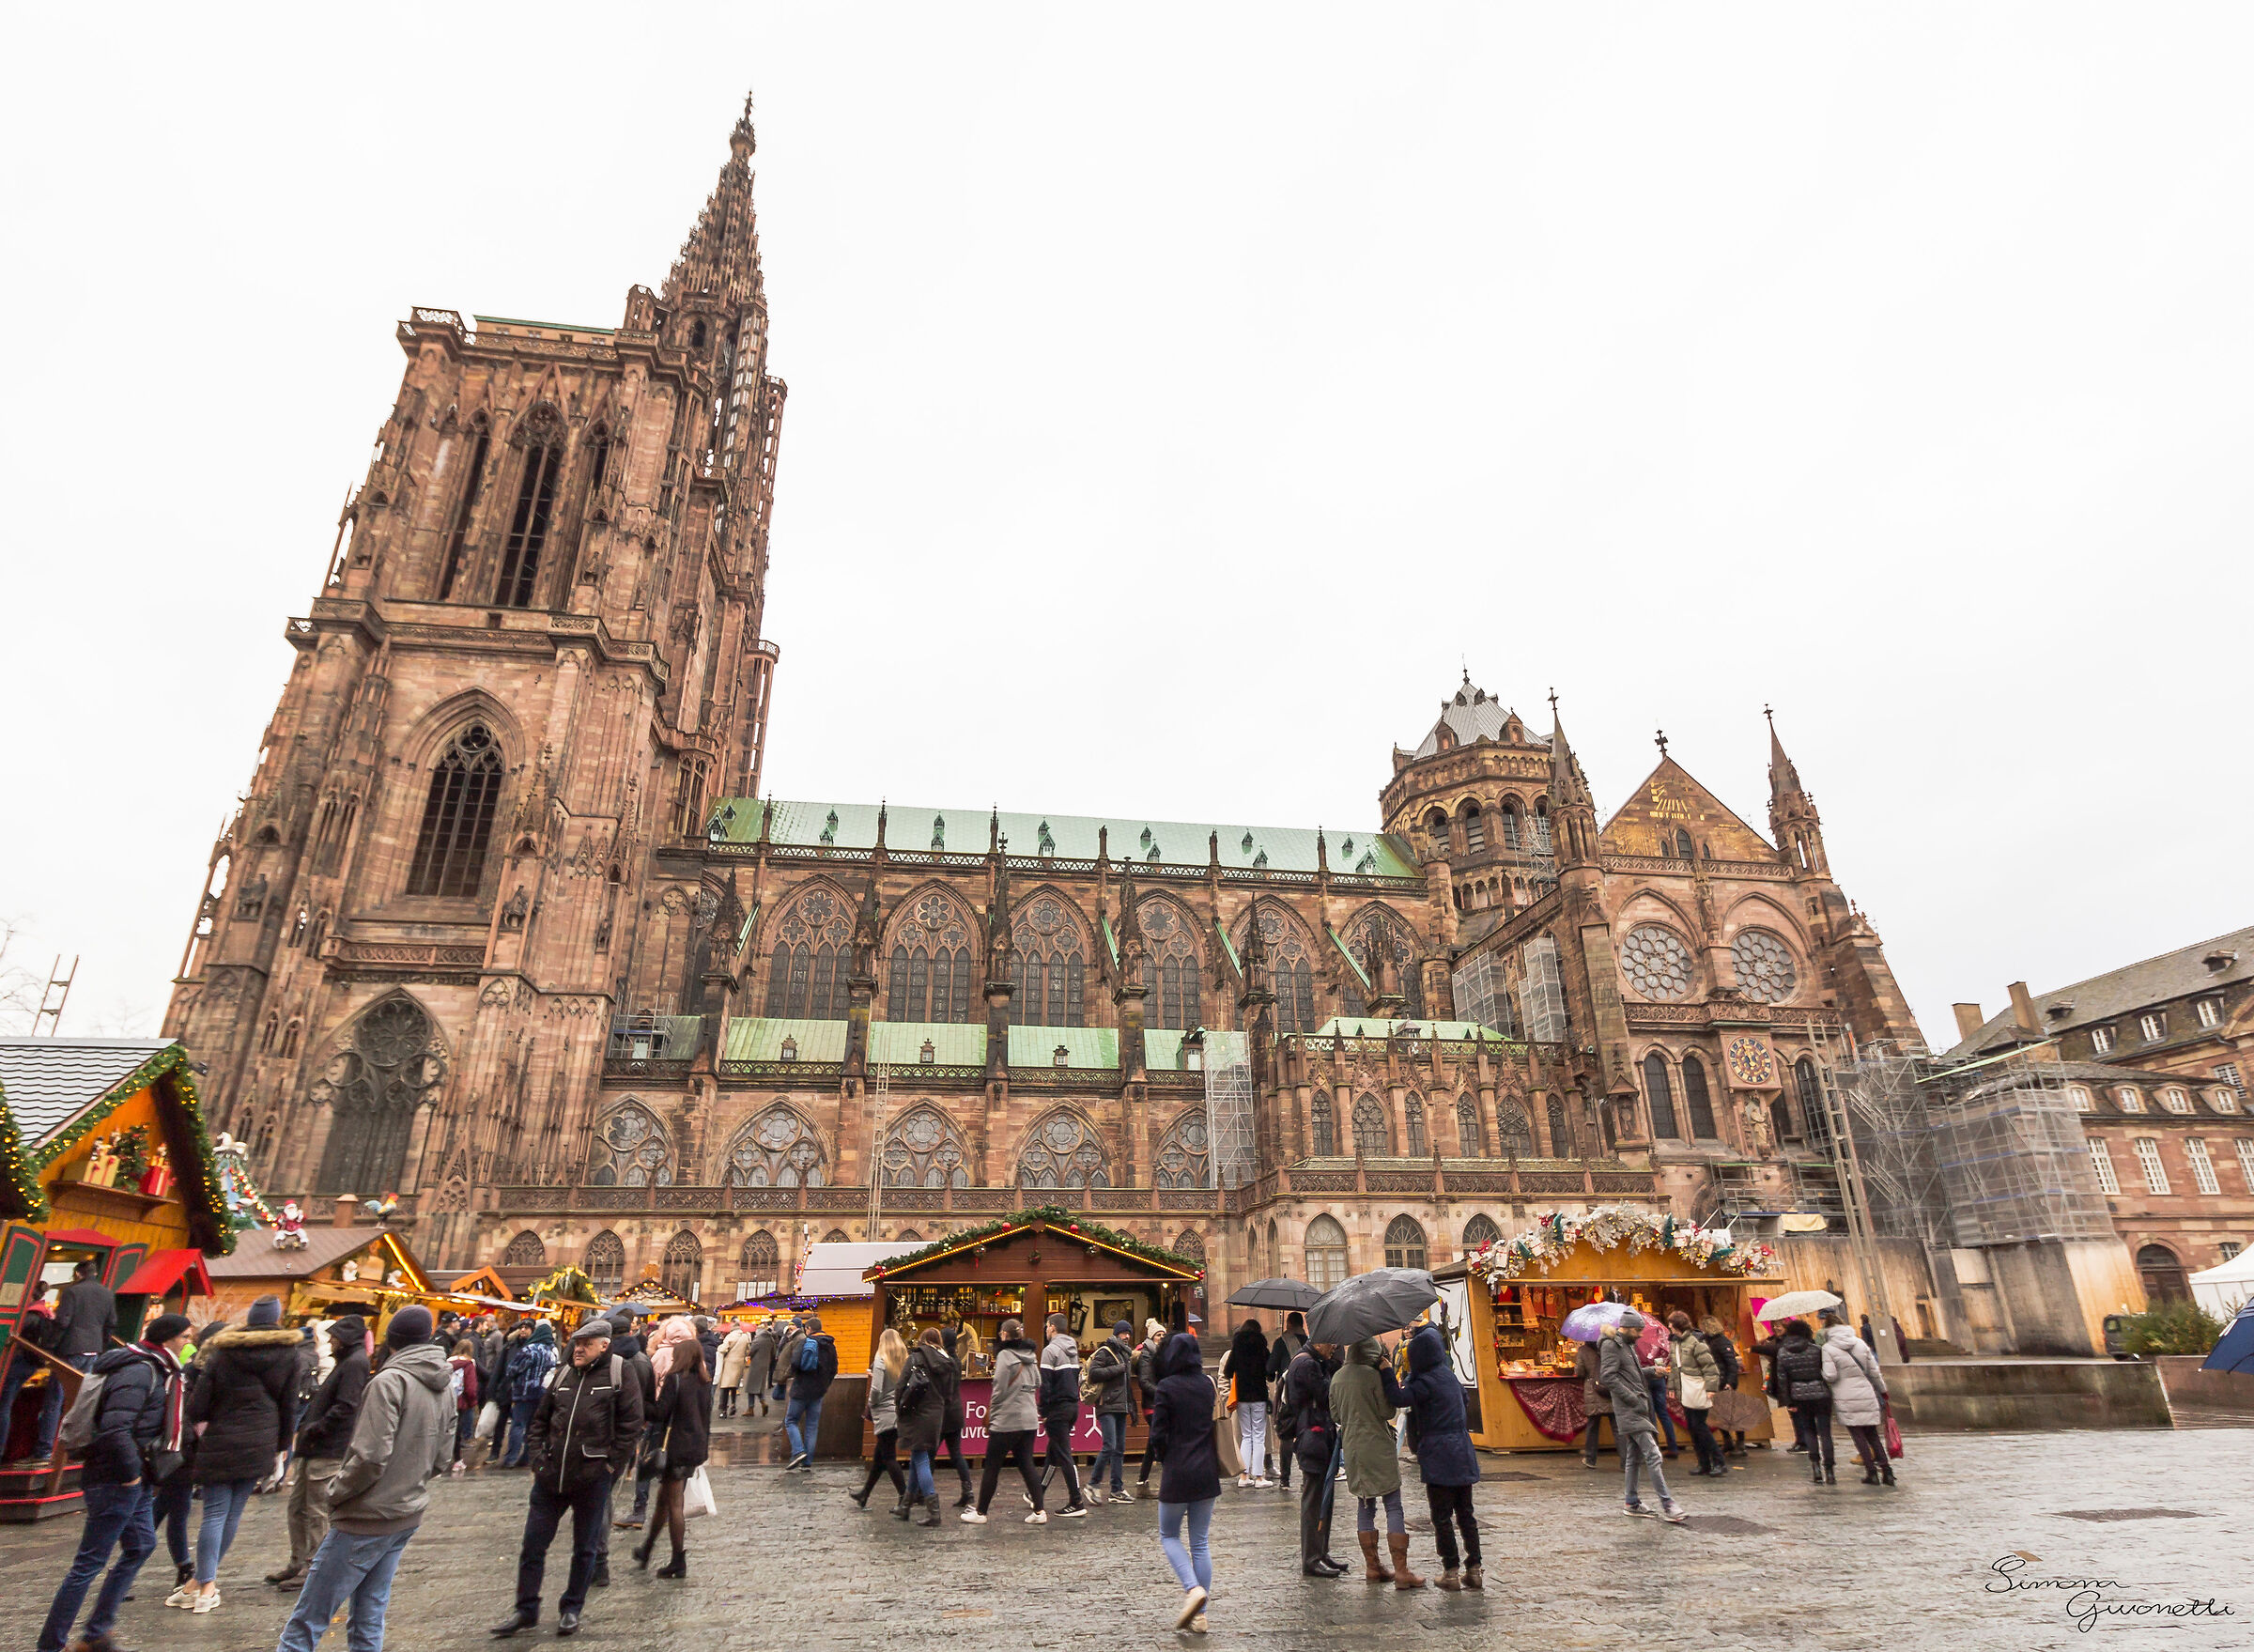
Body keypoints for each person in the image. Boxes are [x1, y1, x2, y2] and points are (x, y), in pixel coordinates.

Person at [272, 1305, 452, 1652]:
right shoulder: (442, 1381)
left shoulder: (389, 1381)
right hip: (406, 1511)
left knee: (306, 1623)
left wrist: (336, 1492)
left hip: (365, 1516)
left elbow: (370, 1456)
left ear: (393, 1340)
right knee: (369, 1614)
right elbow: (443, 1456)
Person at [35, 1312, 190, 1652]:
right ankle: (52, 1645)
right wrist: (131, 1476)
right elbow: (115, 1429)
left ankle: (96, 1633)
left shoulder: (156, 1368)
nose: (188, 1343)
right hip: (116, 1479)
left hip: (135, 1479)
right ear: (168, 1339)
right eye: (184, 1337)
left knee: (141, 1545)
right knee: (88, 1563)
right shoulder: (140, 1370)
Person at [492, 1317, 641, 1638]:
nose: (579, 1348)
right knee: (533, 1546)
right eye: (577, 1342)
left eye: (587, 1343)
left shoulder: (619, 1372)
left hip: (592, 1475)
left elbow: (631, 1425)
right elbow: (540, 1420)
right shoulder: (563, 1373)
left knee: (584, 1547)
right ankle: (525, 1609)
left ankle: (571, 1608)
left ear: (604, 1345)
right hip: (550, 1475)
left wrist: (610, 1467)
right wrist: (537, 1459)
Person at [178, 1295, 301, 1612]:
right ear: (275, 1319)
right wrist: (282, 1447)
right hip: (262, 1439)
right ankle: (205, 1586)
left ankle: (203, 1585)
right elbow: (289, 1407)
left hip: (221, 1438)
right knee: (233, 1514)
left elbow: (197, 1405)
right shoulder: (290, 1355)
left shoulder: (224, 1352)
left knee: (214, 1513)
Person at [267, 1316, 370, 1589]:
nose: (330, 1341)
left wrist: (316, 1428)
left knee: (316, 1509)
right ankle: (299, 1560)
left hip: (328, 1447)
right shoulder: (347, 1362)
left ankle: (314, 1566)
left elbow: (346, 1406)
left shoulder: (355, 1363)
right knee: (298, 1506)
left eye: (335, 1337)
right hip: (316, 1446)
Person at [1331, 1335, 1423, 1587]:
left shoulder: (1337, 1378)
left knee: (1364, 1505)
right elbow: (1388, 1412)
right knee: (1393, 1504)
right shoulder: (1373, 1376)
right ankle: (1401, 1572)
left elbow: (1336, 1414)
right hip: (1378, 1446)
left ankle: (1373, 1568)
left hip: (1353, 1450)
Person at [1401, 1321, 1482, 1590]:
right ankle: (1475, 1568)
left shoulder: (1423, 1382)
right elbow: (1465, 1401)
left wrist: (1391, 1373)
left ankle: (1450, 1571)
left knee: (1442, 1516)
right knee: (1466, 1513)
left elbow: (1398, 1398)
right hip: (1461, 1448)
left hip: (1438, 1452)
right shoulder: (1449, 1377)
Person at [1148, 1331, 1219, 1632]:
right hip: (1207, 1471)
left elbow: (1158, 1434)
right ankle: (1200, 1616)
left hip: (1178, 1470)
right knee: (1200, 1542)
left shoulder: (1166, 1387)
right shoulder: (1206, 1385)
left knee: (1168, 1535)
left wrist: (1163, 1457)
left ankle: (1193, 1589)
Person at [634, 1333, 709, 1577]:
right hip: (694, 1447)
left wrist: (644, 1400)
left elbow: (659, 1413)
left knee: (674, 1505)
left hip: (675, 1448)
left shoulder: (676, 1380)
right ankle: (647, 1549)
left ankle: (678, 1561)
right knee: (663, 1503)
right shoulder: (703, 1381)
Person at [1600, 1313, 1683, 1522]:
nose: (1639, 1335)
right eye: (1637, 1331)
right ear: (1626, 1328)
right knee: (1653, 1455)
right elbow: (1608, 1377)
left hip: (1637, 1406)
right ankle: (1668, 1504)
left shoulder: (1626, 1345)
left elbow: (1630, 1374)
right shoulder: (1612, 1346)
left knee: (1634, 1457)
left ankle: (1632, 1502)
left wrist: (1651, 1371)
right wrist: (1631, 1398)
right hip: (1630, 1408)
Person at [962, 1319, 1043, 1523]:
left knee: (992, 1467)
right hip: (1029, 1419)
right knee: (1027, 1465)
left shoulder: (1005, 1356)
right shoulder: (1031, 1357)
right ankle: (1039, 1512)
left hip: (1007, 1420)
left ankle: (981, 1513)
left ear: (1004, 1335)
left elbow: (998, 1391)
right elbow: (1038, 1382)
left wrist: (992, 1417)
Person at [1281, 1337, 1346, 1577]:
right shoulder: (1307, 1365)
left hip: (1319, 1436)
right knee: (1313, 1498)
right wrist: (1334, 1367)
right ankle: (1311, 1558)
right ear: (1319, 1344)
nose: (1334, 1348)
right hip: (1312, 1437)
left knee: (1325, 1497)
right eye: (1332, 1344)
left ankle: (1321, 1551)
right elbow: (1327, 1394)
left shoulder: (1313, 1362)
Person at [1819, 1308, 1894, 1487]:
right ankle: (1887, 1471)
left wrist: (1821, 1371)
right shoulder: (1860, 1343)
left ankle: (1871, 1472)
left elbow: (1830, 1376)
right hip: (1866, 1392)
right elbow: (1874, 1372)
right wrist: (1883, 1390)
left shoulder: (1828, 1348)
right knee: (1873, 1435)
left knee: (1858, 1436)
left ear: (1828, 1329)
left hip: (1845, 1396)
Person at [1030, 1312, 1090, 1516]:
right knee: (1053, 1453)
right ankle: (1037, 1494)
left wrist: (1044, 1411)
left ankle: (1077, 1501)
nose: (1046, 1330)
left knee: (1064, 1455)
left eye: (1047, 1326)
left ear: (1052, 1327)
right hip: (1073, 1406)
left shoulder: (1050, 1351)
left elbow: (1045, 1385)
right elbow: (1079, 1379)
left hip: (1057, 1408)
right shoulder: (1073, 1350)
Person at [894, 1326, 950, 1527]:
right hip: (936, 1414)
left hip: (916, 1413)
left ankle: (933, 1511)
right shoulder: (947, 1362)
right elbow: (949, 1392)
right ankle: (905, 1506)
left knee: (920, 1459)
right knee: (919, 1457)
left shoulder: (916, 1358)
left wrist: (898, 1407)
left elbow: (901, 1385)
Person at [850, 1328, 908, 1513]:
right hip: (897, 1412)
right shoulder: (904, 1360)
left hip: (884, 1412)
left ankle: (904, 1496)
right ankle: (864, 1494)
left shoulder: (881, 1359)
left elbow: (876, 1389)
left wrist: (871, 1404)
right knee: (879, 1457)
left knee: (889, 1457)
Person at [1772, 1318, 1832, 1485]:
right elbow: (1826, 1373)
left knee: (1809, 1431)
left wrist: (1788, 1401)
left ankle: (1815, 1467)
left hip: (1799, 1395)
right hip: (1820, 1393)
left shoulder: (1783, 1353)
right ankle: (1830, 1470)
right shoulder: (1816, 1350)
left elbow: (1782, 1379)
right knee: (1825, 1433)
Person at [1666, 1311, 1725, 1477]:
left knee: (1699, 1426)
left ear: (1678, 1326)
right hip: (1686, 1389)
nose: (1669, 1327)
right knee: (1693, 1427)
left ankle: (1718, 1461)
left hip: (1697, 1388)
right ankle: (1704, 1463)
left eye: (1671, 1324)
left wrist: (1711, 1388)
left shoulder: (1695, 1342)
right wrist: (1671, 1387)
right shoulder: (1675, 1343)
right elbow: (1674, 1367)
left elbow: (1710, 1367)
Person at [1086, 1319, 1137, 1504]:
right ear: (1116, 1333)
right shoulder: (1105, 1351)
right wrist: (1118, 1369)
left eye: (1129, 1333)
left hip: (1120, 1406)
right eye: (1124, 1333)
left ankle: (1116, 1489)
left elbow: (1126, 1385)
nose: (1127, 1336)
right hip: (1106, 1404)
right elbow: (1094, 1373)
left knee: (1119, 1449)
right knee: (1109, 1445)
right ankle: (1093, 1484)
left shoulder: (1126, 1354)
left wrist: (1131, 1408)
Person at [1221, 1315, 1273, 1490]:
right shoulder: (1262, 1348)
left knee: (1246, 1436)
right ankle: (1259, 1477)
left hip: (1241, 1397)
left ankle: (1243, 1476)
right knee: (1259, 1437)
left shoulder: (1237, 1349)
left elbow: (1227, 1372)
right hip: (1258, 1396)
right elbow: (1271, 1373)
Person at [498, 1323, 555, 1469]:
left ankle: (511, 1458)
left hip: (524, 1392)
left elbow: (512, 1369)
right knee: (532, 1427)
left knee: (518, 1425)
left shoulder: (529, 1350)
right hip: (540, 1393)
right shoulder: (549, 1352)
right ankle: (527, 1457)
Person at [783, 1315, 837, 1471]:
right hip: (819, 1391)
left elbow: (795, 1362)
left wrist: (793, 1375)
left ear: (808, 1329)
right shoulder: (830, 1345)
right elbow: (834, 1369)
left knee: (791, 1420)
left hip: (801, 1388)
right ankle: (807, 1463)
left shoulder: (806, 1341)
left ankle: (798, 1451)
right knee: (812, 1426)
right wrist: (825, 1385)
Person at [1264, 1312, 1307, 1492]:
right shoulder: (1309, 1341)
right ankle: (1306, 1476)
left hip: (1287, 1395)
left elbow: (1270, 1369)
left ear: (1288, 1323)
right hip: (1307, 1393)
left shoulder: (1282, 1342)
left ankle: (1285, 1479)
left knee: (1286, 1436)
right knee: (1306, 1434)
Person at [934, 1326, 975, 1506]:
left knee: (927, 1454)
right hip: (956, 1413)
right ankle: (968, 1491)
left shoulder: (942, 1361)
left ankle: (921, 1491)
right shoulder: (956, 1360)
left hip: (943, 1415)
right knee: (956, 1454)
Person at [1697, 1315, 1749, 1458]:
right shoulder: (1708, 1341)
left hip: (1724, 1383)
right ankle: (1728, 1441)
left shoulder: (1721, 1342)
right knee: (1719, 1415)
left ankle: (1740, 1443)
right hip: (1715, 1383)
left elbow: (1731, 1364)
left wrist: (1730, 1382)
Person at [1133, 1319, 1166, 1493]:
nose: (1161, 1337)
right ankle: (1169, 1478)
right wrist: (1163, 1391)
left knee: (1153, 1442)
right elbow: (1144, 1382)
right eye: (1158, 1335)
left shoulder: (1161, 1354)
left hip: (1159, 1404)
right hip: (1152, 1405)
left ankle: (1142, 1480)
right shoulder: (1147, 1355)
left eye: (1163, 1334)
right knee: (1161, 1441)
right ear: (1151, 1337)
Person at [1575, 1335, 1613, 1467]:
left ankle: (1590, 1459)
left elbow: (1579, 1372)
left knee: (1592, 1427)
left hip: (1592, 1390)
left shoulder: (1583, 1350)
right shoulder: (1609, 1347)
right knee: (1617, 1428)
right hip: (1609, 1389)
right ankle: (1626, 1460)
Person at [447, 1337, 481, 1472]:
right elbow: (471, 1387)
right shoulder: (469, 1364)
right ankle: (457, 1461)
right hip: (461, 1401)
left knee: (445, 1431)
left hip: (446, 1399)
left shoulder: (448, 1362)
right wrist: (473, 1402)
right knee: (457, 1431)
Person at [715, 1322, 750, 1418]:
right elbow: (748, 1351)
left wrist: (719, 1346)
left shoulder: (730, 1336)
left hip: (729, 1364)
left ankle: (723, 1410)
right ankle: (733, 1404)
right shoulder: (745, 1337)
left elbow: (723, 1349)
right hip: (739, 1364)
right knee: (734, 1386)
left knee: (725, 1387)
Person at [742, 1320, 778, 1418]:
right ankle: (761, 1402)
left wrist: (748, 1354)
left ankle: (752, 1408)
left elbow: (751, 1351)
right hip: (765, 1365)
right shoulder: (770, 1339)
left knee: (751, 1387)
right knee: (759, 1387)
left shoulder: (758, 1339)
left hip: (756, 1365)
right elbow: (774, 1352)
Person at [773, 1318, 807, 1410]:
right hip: (785, 1372)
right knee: (777, 1395)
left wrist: (786, 1374)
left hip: (788, 1373)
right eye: (790, 1324)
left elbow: (795, 1358)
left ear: (798, 1327)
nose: (790, 1327)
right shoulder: (790, 1337)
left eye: (793, 1325)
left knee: (779, 1395)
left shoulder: (799, 1338)